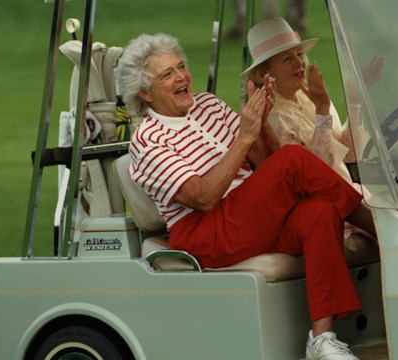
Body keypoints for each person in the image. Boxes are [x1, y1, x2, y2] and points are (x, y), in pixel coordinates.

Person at [118, 32, 376, 360]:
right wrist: (244, 137)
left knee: (319, 212)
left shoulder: (208, 105)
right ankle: (381, 230)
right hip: (206, 231)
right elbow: (202, 197)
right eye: (167, 74)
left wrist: (262, 123)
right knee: (294, 159)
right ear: (144, 92)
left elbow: (267, 165)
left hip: (249, 218)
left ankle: (321, 340)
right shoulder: (147, 140)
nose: (182, 76)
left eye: (181, 66)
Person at [243, 17, 384, 238]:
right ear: (265, 73)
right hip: (329, 212)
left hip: (356, 199)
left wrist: (356, 98)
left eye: (300, 54)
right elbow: (314, 178)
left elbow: (351, 155)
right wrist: (322, 111)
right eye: (287, 58)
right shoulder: (271, 117)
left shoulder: (308, 98)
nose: (299, 62)